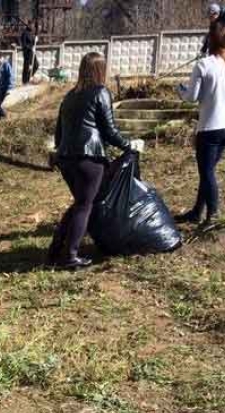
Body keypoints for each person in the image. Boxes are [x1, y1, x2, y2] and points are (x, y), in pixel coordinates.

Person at [49, 52, 144, 269]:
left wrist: (60, 152)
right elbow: (110, 130)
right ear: (100, 70)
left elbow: (59, 133)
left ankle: (55, 250)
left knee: (80, 203)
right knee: (84, 205)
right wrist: (129, 145)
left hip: (66, 158)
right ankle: (70, 256)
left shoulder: (70, 96)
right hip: (89, 158)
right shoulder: (101, 92)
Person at [176, 21, 225, 227]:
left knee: (207, 173)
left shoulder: (204, 65)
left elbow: (191, 97)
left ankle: (212, 216)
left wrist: (179, 89)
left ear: (210, 40)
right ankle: (197, 212)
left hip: (210, 128)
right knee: (208, 172)